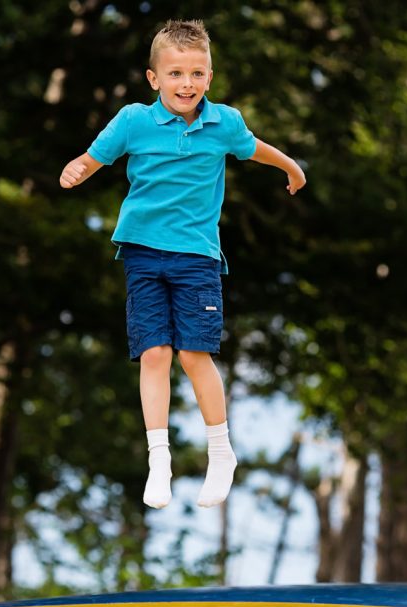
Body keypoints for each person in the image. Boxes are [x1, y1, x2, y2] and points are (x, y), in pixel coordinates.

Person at [59, 19, 306, 510]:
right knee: (154, 353)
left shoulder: (224, 124)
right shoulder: (133, 121)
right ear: (154, 79)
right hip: (143, 253)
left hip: (197, 256)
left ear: (210, 77)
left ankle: (221, 451)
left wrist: (292, 167)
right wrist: (78, 169)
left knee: (194, 354)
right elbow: (95, 157)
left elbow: (255, 149)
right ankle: (159, 457)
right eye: (175, 74)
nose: (186, 84)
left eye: (196, 73)